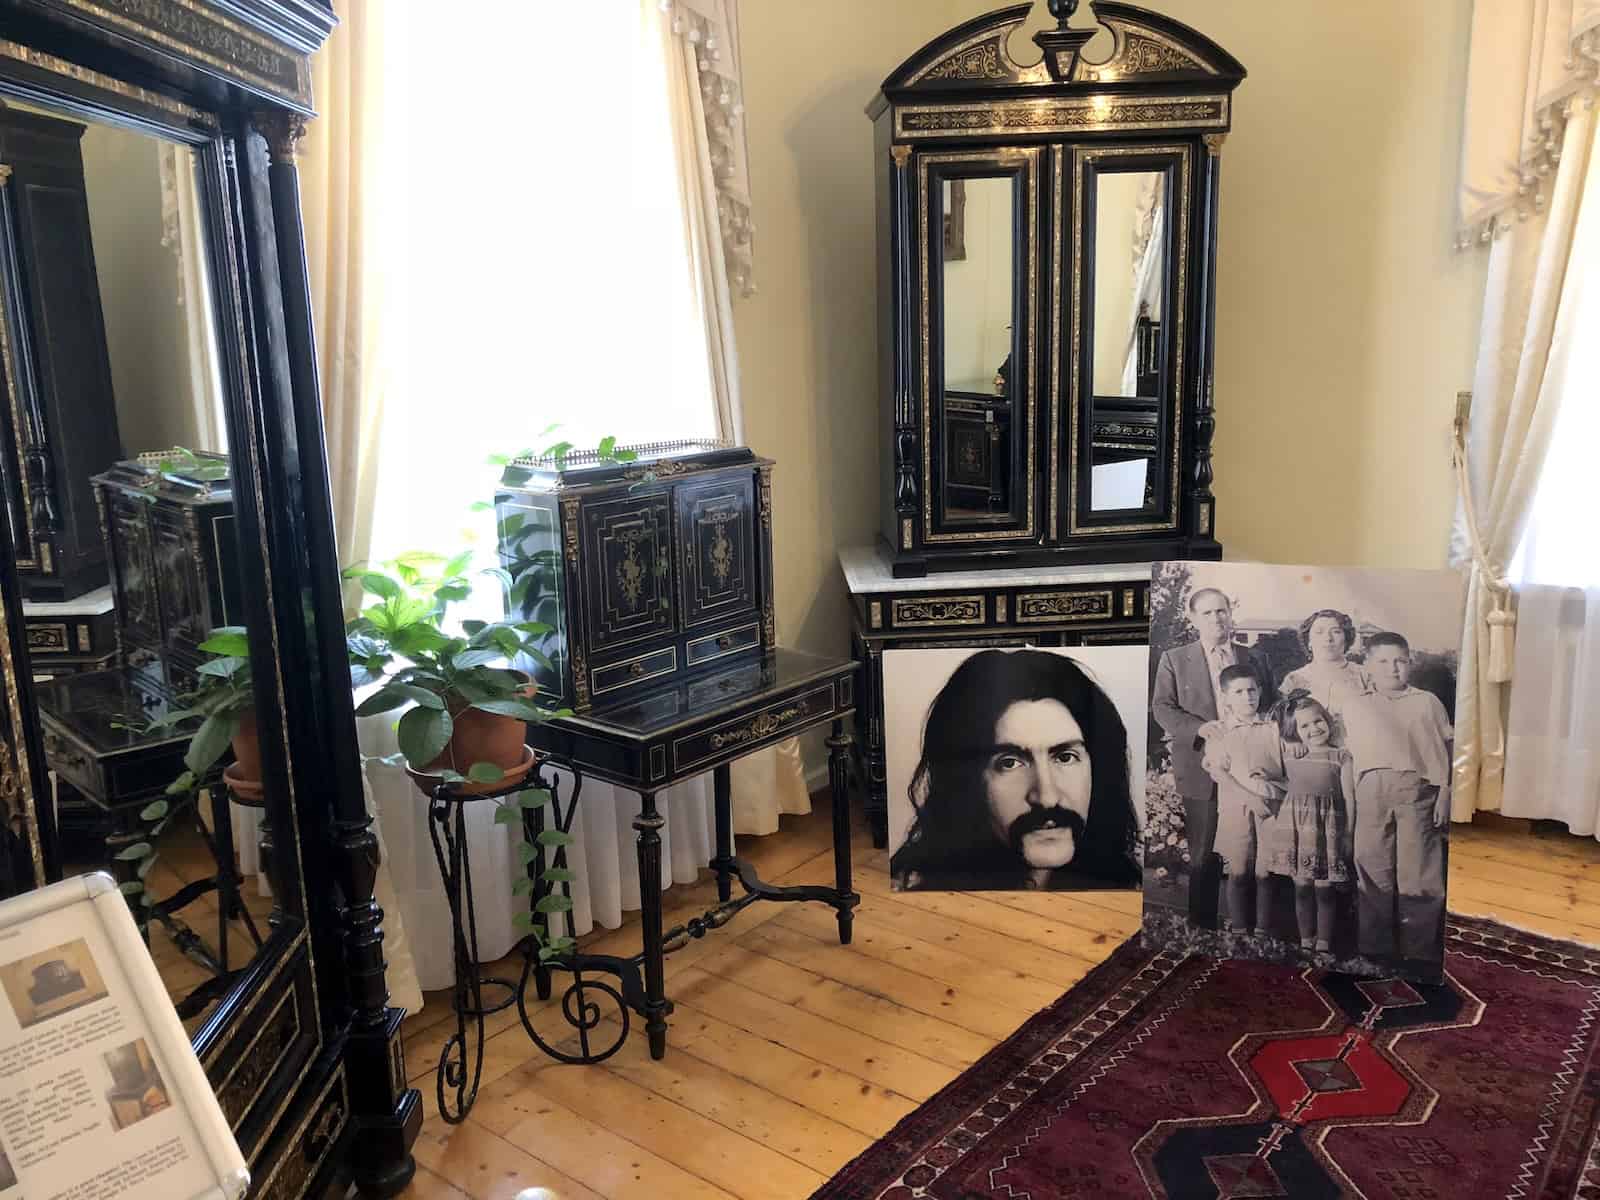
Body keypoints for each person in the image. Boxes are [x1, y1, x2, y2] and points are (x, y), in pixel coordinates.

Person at [890, 649, 1141, 891]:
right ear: (965, 782)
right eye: (1009, 763)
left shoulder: (1134, 887)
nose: (1046, 797)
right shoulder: (915, 892)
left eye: (1065, 757)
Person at [1151, 587, 1278, 928]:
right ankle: (1202, 929)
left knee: (1257, 850)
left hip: (1252, 768)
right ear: (1193, 618)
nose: (1216, 618)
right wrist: (1200, 728)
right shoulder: (1175, 659)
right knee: (1204, 853)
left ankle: (1256, 928)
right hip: (1200, 766)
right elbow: (1162, 707)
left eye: (1221, 611)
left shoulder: (1256, 658)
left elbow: (1271, 707)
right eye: (1207, 613)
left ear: (1230, 613)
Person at [1340, 632, 1452, 963]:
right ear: (1368, 666)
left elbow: (1444, 749)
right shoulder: (1355, 704)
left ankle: (1418, 949)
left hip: (1417, 789)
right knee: (1373, 868)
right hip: (1371, 791)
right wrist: (1352, 806)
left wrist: (1445, 791)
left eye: (1400, 661)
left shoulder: (1427, 702)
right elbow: (1347, 759)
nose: (1393, 669)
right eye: (1384, 662)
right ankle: (1376, 949)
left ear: (1410, 663)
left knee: (1418, 871)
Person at [1266, 690, 1353, 952]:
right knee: (1302, 886)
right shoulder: (1291, 755)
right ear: (1295, 730)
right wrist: (1287, 738)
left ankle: (1324, 943)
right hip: (1296, 831)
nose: (1314, 728)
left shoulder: (1342, 756)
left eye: (1318, 721)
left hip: (1327, 831)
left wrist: (1349, 833)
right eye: (1304, 725)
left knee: (1324, 888)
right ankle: (1306, 940)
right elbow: (1268, 729)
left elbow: (1349, 799)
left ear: (1328, 721)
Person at [1200, 665, 1284, 935]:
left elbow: (1286, 768)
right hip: (1237, 806)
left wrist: (1274, 789)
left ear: (1259, 691)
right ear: (1226, 697)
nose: (1247, 696)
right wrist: (1250, 798)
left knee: (1266, 872)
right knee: (1238, 870)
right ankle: (1238, 928)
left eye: (1251, 690)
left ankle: (1263, 930)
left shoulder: (1273, 728)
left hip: (1271, 806)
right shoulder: (1220, 731)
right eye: (1238, 691)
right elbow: (1218, 772)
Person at [1280, 609, 1372, 734]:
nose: (1328, 638)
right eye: (1319, 632)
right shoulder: (1294, 678)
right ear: (1309, 642)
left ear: (1346, 639)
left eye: (1336, 631)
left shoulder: (1365, 675)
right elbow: (1283, 721)